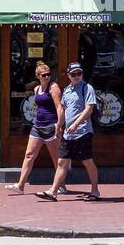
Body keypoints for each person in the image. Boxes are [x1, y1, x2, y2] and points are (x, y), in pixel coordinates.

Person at [36, 62, 100, 201]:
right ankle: (53, 191)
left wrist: (76, 124)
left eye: (79, 73)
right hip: (67, 134)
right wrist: (59, 126)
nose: (77, 76)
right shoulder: (67, 90)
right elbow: (63, 109)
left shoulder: (87, 88)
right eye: (74, 74)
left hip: (83, 132)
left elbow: (89, 109)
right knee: (61, 162)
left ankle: (95, 190)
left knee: (87, 161)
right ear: (68, 75)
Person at [9, 61, 63, 194]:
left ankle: (61, 186)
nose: (47, 77)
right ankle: (21, 185)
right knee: (29, 155)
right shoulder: (36, 88)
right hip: (38, 125)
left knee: (56, 158)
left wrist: (59, 125)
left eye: (49, 74)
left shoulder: (53, 87)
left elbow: (59, 107)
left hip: (51, 126)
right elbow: (24, 87)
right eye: (44, 75)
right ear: (38, 76)